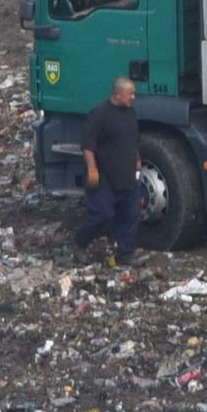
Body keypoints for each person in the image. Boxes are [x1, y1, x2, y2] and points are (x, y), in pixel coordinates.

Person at [78, 74, 145, 268]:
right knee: (102, 215)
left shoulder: (131, 113)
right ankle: (80, 242)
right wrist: (92, 170)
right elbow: (88, 146)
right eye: (130, 94)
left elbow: (132, 139)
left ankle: (126, 253)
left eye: (134, 94)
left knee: (130, 214)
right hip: (105, 176)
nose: (134, 98)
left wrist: (138, 159)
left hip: (127, 175)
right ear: (117, 94)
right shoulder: (99, 114)